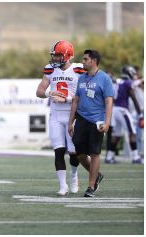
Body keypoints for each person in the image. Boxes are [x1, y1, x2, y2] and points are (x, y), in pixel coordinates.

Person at [36, 40, 85, 196]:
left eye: (58, 55)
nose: (55, 58)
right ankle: (62, 186)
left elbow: (84, 95)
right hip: (56, 115)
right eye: (54, 55)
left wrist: (68, 99)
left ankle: (74, 176)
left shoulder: (78, 70)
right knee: (58, 150)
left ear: (67, 55)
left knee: (73, 151)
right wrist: (50, 93)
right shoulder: (50, 70)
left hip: (72, 115)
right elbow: (39, 91)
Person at [68, 49, 114, 197]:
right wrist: (70, 122)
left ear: (93, 61)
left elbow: (109, 102)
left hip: (97, 121)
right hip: (81, 119)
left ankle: (91, 186)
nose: (83, 62)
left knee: (95, 153)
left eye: (85, 59)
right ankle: (97, 175)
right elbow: (76, 100)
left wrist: (107, 123)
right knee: (79, 153)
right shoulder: (81, 78)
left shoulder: (105, 78)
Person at [105, 65, 143, 164]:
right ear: (129, 73)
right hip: (122, 110)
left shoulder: (117, 81)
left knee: (116, 134)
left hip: (114, 109)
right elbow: (134, 98)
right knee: (132, 132)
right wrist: (140, 112)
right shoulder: (127, 83)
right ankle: (135, 157)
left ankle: (109, 157)